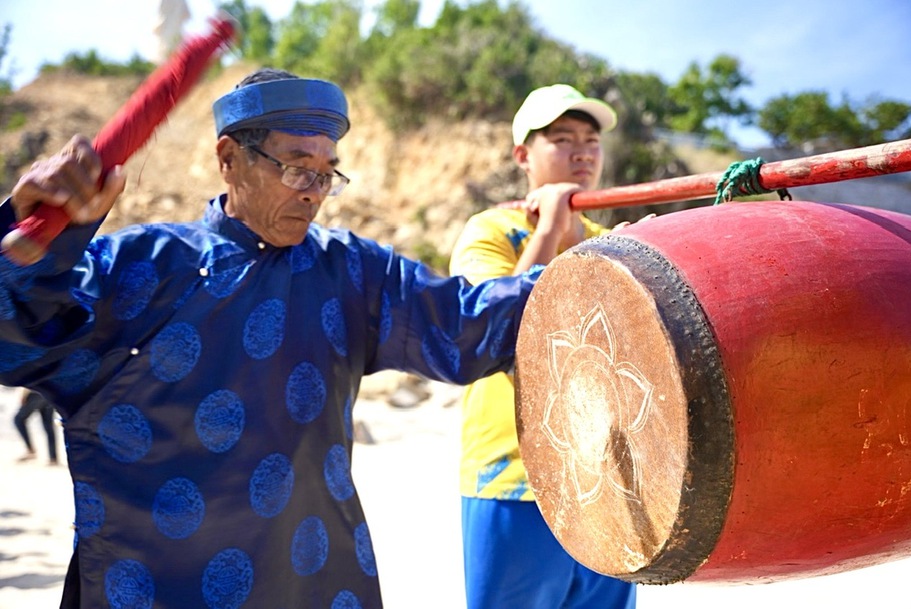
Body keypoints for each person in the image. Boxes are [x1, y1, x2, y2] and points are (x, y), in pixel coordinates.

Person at [0, 68, 541, 608]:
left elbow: (466, 325)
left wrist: (609, 262)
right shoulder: (143, 269)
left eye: (329, 173)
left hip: (313, 583)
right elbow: (14, 338)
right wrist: (36, 247)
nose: (316, 193)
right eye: (298, 169)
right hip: (155, 588)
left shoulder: (351, 271)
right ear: (229, 159)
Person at [449, 84, 637, 608]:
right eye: (562, 138)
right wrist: (552, 227)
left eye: (591, 140)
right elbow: (488, 326)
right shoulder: (490, 229)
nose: (582, 152)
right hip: (512, 477)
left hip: (610, 477)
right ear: (522, 155)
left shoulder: (613, 235)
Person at [13, 388, 59, 464]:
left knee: (18, 419)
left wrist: (23, 395)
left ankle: (30, 450)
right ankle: (53, 457)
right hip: (49, 394)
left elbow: (26, 379)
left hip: (34, 393)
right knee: (48, 426)